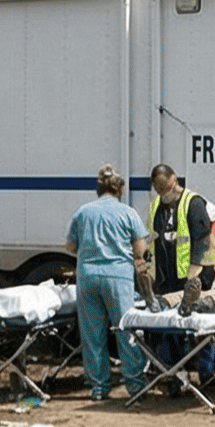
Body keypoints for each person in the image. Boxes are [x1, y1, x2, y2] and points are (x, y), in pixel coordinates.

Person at [64, 164, 151, 401]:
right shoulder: (128, 213)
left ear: (98, 188)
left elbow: (70, 246)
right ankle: (135, 385)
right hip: (118, 277)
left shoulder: (83, 212)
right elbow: (140, 249)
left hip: (88, 277)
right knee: (126, 329)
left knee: (92, 334)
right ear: (119, 189)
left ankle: (99, 387)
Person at [142, 164, 215, 387]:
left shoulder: (193, 203)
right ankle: (173, 374)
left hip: (193, 278)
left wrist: (198, 276)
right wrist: (149, 273)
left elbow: (205, 242)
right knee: (168, 328)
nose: (163, 195)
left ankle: (206, 375)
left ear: (174, 181)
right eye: (158, 191)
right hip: (166, 278)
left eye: (165, 189)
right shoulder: (155, 206)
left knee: (201, 326)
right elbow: (150, 242)